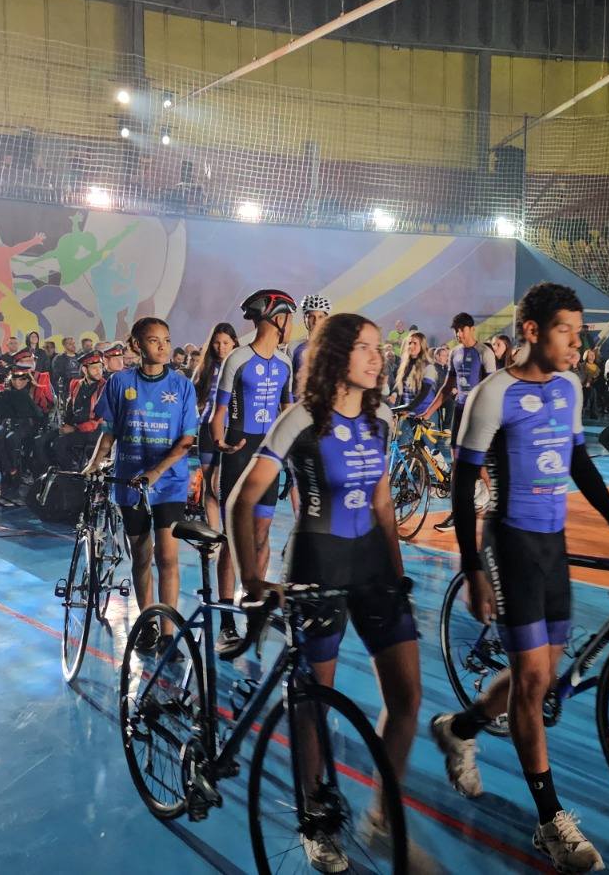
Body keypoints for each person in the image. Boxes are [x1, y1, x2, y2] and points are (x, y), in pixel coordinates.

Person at [430, 282, 609, 874]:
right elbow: (461, 484)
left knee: (542, 677)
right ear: (532, 331)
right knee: (531, 681)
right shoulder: (492, 394)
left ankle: (460, 727)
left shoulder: (569, 387)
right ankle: (550, 821)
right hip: (510, 543)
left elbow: (579, 461)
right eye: (565, 331)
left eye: (578, 332)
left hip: (553, 544)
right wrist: (472, 567)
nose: (577, 343)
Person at [226, 313, 420, 871]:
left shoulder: (382, 417)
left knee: (407, 697)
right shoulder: (301, 418)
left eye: (379, 348)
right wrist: (251, 580)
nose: (378, 357)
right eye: (365, 348)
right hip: (318, 563)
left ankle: (382, 818)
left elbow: (382, 502)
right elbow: (243, 498)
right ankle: (315, 819)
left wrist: (397, 575)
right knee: (312, 702)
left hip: (373, 566)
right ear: (335, 355)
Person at [82, 317, 198, 647]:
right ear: (136, 345)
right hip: (129, 482)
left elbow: (187, 440)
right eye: (154, 340)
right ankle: (147, 623)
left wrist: (156, 472)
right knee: (141, 556)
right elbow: (109, 431)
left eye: (167, 340)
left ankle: (168, 634)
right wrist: (94, 463)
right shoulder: (119, 382)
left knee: (168, 558)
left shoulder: (182, 386)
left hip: (169, 483)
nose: (163, 346)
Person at [210, 290, 297, 648]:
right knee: (233, 539)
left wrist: (292, 457)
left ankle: (255, 609)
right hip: (239, 452)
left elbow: (288, 414)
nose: (293, 324)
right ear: (277, 318)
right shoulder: (237, 359)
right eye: (290, 317)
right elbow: (218, 413)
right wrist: (221, 444)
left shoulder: (286, 363)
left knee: (261, 536)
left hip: (268, 456)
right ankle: (226, 621)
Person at [432, 312, 498, 533]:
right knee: (458, 465)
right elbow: (447, 387)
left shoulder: (484, 352)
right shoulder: (454, 353)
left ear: (471, 329)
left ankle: (496, 505)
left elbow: (491, 390)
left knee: (476, 464)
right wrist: (427, 412)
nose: (458, 334)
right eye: (455, 330)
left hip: (478, 414)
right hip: (460, 411)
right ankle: (459, 511)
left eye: (461, 329)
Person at [193, 322, 239, 601]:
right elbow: (194, 397)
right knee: (209, 488)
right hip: (206, 430)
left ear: (234, 343)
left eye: (226, 343)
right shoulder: (206, 369)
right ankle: (214, 538)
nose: (221, 347)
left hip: (230, 431)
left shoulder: (240, 367)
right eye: (217, 343)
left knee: (220, 485)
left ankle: (227, 540)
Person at [0, 361, 46, 487]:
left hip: (26, 424)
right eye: (14, 379)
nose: (17, 382)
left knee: (11, 438)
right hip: (7, 422)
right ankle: (9, 470)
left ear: (27, 379)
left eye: (21, 379)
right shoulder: (7, 392)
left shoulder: (34, 390)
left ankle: (17, 472)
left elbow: (40, 413)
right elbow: (0, 411)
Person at [54, 351, 106, 469]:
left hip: (94, 431)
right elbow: (69, 408)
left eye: (100, 367)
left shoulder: (105, 387)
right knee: (43, 441)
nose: (99, 371)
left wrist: (74, 429)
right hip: (75, 426)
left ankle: (72, 473)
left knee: (59, 444)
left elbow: (98, 419)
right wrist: (65, 425)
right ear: (84, 370)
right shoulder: (75, 384)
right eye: (94, 368)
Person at [289, 293, 331, 389]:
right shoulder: (293, 347)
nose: (315, 322)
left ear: (326, 320)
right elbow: (287, 383)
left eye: (320, 317)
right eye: (311, 317)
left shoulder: (334, 347)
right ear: (305, 319)